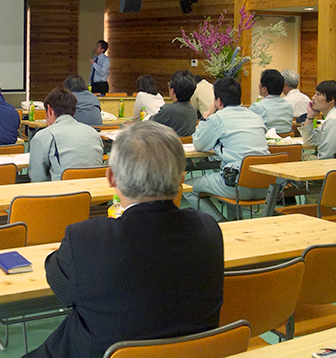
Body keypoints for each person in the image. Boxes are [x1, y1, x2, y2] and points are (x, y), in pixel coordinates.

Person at [23, 121, 223, 358]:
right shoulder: (209, 229)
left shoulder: (86, 238)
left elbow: (60, 287)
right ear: (182, 177)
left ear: (111, 178)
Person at [184, 77, 270, 222]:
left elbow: (199, 144)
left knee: (187, 187)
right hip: (265, 184)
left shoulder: (218, 118)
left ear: (218, 101)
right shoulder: (256, 117)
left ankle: (220, 222)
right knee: (226, 174)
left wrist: (206, 116)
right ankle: (235, 220)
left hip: (237, 185)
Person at [29, 88, 104, 182]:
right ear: (74, 111)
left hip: (63, 194)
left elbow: (38, 179)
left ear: (49, 110)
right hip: (94, 191)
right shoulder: (93, 133)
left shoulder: (43, 136)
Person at [150, 71, 198, 137]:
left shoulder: (167, 109)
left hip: (170, 146)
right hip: (187, 146)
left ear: (172, 91)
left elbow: (150, 124)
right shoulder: (192, 110)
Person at [248, 69, 294, 134]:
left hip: (266, 143)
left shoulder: (258, 107)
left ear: (264, 89)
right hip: (288, 142)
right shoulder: (289, 106)